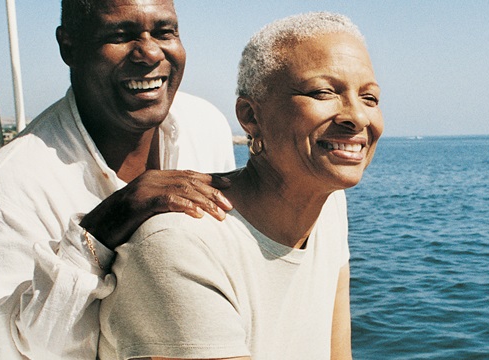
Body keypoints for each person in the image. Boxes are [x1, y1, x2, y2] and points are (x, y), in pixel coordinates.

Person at [0, 0, 236, 358]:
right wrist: (97, 233)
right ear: (69, 47)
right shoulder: (14, 186)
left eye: (164, 32)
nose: (148, 52)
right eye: (120, 35)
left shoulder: (205, 125)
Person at [99, 12, 383, 360]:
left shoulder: (330, 205)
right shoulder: (179, 247)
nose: (357, 116)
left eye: (370, 98)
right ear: (250, 116)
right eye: (323, 92)